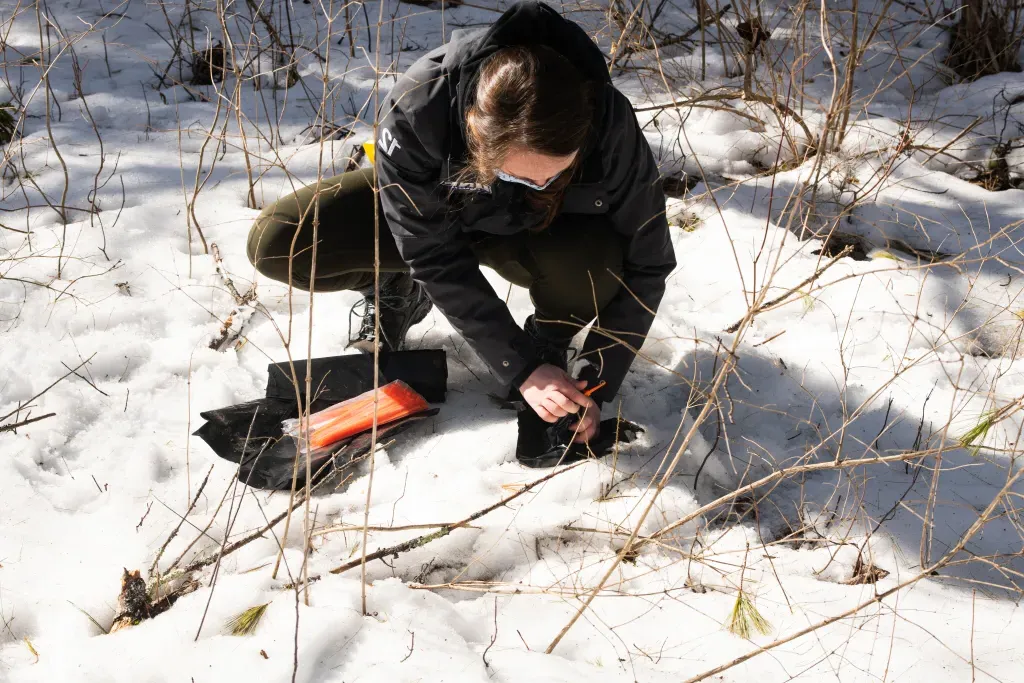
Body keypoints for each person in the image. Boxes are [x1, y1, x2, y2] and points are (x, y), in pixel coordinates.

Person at [246, 1, 675, 462]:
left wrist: (593, 378)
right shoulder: (422, 104)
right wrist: (520, 368)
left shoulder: (609, 120)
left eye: (554, 175)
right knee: (282, 239)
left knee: (595, 262)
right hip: (440, 215)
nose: (541, 184)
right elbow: (432, 252)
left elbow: (649, 260)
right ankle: (397, 286)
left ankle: (549, 337)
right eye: (520, 174)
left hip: (541, 234)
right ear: (475, 130)